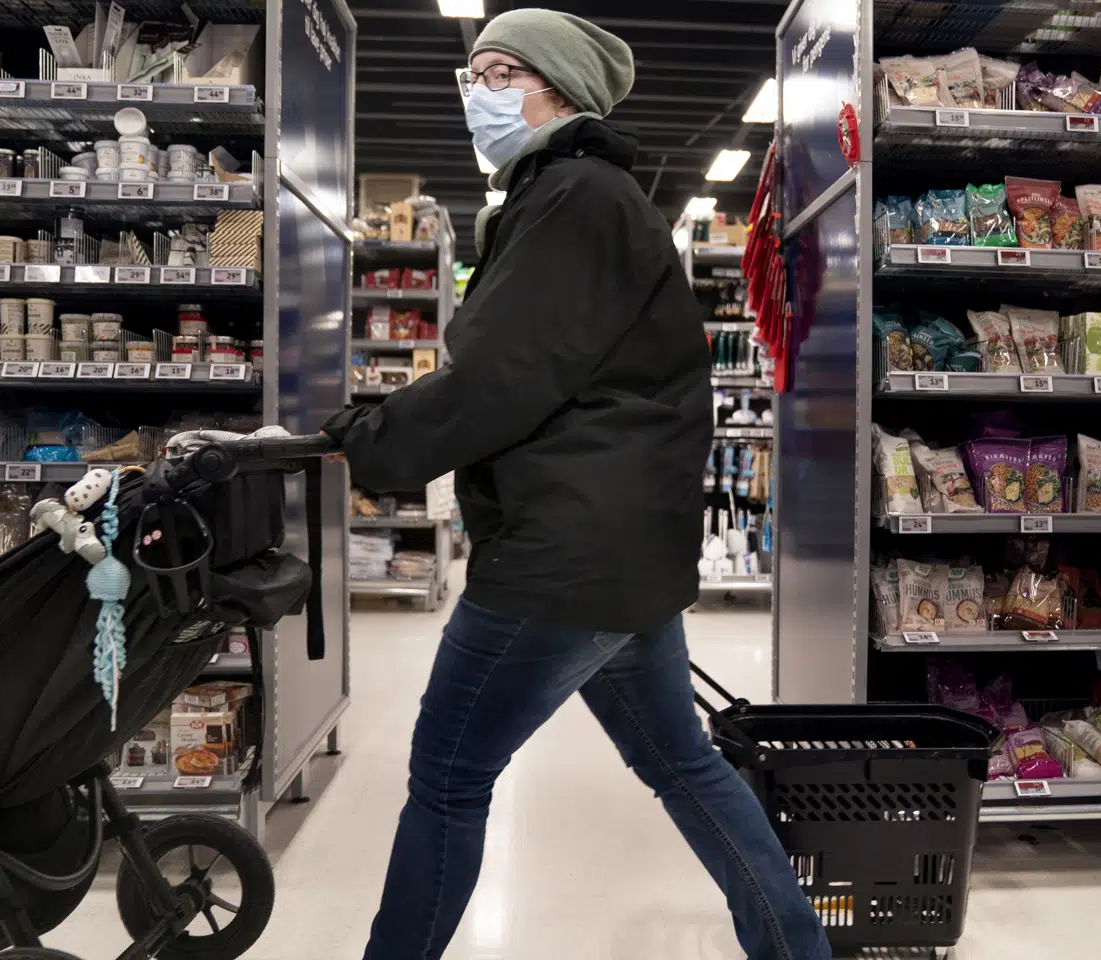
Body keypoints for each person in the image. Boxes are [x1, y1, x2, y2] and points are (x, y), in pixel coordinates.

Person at [322, 10, 829, 960]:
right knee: (682, 764)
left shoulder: (573, 200)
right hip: (620, 553)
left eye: (503, 71)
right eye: (473, 73)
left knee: (446, 775)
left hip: (563, 560)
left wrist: (367, 442)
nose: (479, 91)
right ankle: (798, 951)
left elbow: (499, 377)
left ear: (561, 90)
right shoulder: (576, 200)